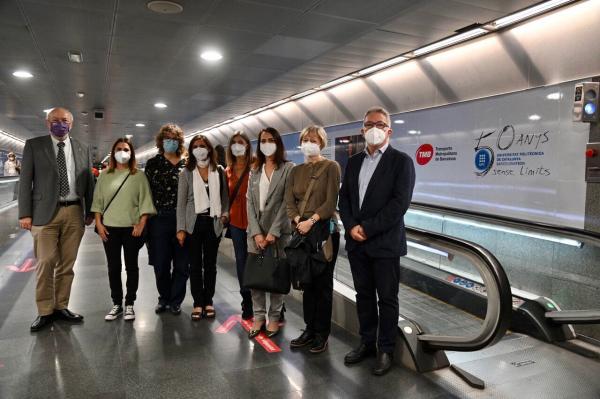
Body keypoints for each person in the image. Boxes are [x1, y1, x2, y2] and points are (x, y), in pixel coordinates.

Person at [338, 106, 415, 376]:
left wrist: (366, 229)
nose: (374, 128)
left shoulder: (401, 162)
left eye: (380, 124)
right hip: (358, 244)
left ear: (389, 130)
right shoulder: (355, 162)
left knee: (388, 299)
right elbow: (344, 199)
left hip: (384, 244)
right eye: (369, 124)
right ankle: (367, 343)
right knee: (364, 296)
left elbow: (399, 204)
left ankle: (386, 350)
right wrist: (350, 227)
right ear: (362, 130)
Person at [18, 107, 95, 332]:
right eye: (55, 120)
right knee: (45, 262)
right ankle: (44, 311)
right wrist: (25, 213)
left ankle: (61, 306)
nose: (59, 124)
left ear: (71, 124)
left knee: (67, 264)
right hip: (44, 213)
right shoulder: (34, 145)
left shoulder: (82, 147)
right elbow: (25, 181)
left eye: (64, 120)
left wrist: (89, 210)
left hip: (73, 211)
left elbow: (89, 181)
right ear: (47, 122)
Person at [285, 125, 340, 353]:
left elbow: (330, 200)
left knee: (323, 284)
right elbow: (289, 202)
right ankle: (309, 328)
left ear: (322, 143)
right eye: (306, 139)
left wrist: (311, 220)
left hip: (323, 232)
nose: (309, 142)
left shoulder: (331, 167)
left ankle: (322, 333)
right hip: (301, 231)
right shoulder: (295, 171)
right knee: (306, 284)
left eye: (314, 139)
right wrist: (298, 219)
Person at [92, 138, 156, 321]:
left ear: (131, 153)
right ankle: (117, 303)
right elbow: (97, 202)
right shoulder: (104, 175)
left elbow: (145, 202)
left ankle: (130, 303)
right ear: (113, 152)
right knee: (113, 267)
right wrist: (99, 224)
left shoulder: (139, 176)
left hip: (131, 229)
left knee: (131, 266)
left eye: (126, 149)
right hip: (109, 228)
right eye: (119, 149)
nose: (122, 152)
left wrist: (141, 224)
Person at [246, 127, 294, 339]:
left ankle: (274, 318)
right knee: (256, 278)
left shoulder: (288, 169)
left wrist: (273, 232)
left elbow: (287, 202)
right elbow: (249, 203)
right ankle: (258, 317)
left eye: (270, 140)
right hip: (256, 234)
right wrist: (256, 233)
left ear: (278, 142)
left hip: (279, 234)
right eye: (263, 140)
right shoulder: (254, 170)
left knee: (276, 276)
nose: (266, 143)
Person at [176, 135, 228, 320]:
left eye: (203, 146)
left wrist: (224, 216)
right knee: (195, 265)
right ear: (191, 150)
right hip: (193, 224)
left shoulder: (218, 170)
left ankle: (209, 301)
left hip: (213, 222)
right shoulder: (186, 172)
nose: (200, 149)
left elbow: (224, 197)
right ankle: (198, 302)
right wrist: (180, 228)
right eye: (196, 146)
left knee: (211, 265)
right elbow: (181, 203)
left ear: (209, 149)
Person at [145, 124, 189, 315]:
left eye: (174, 139)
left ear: (179, 142)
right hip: (159, 219)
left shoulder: (187, 164)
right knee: (160, 263)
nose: (170, 142)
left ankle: (176, 300)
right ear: (161, 142)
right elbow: (145, 193)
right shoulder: (153, 163)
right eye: (167, 138)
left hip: (183, 220)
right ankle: (163, 297)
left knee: (181, 264)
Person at [225, 131, 253, 320]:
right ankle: (247, 300)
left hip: (255, 223)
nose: (237, 145)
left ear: (247, 145)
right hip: (236, 224)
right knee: (242, 262)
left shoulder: (256, 167)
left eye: (240, 142)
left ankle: (272, 300)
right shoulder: (227, 171)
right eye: (234, 142)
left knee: (260, 261)